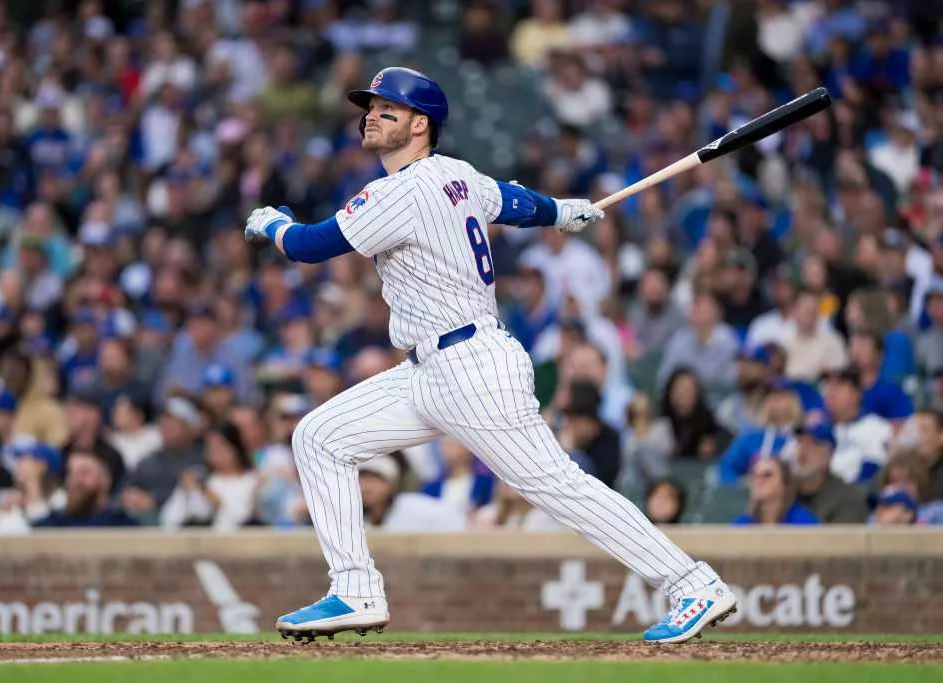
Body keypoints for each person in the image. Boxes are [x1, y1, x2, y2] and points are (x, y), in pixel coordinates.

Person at [245, 67, 737, 643]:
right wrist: (560, 210)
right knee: (319, 437)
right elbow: (515, 202)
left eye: (388, 108)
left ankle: (691, 583)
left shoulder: (403, 189)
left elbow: (309, 245)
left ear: (420, 124)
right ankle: (354, 589)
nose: (371, 115)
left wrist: (273, 222)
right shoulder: (457, 176)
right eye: (370, 107)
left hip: (471, 368)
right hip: (429, 369)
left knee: (559, 487)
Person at [160, 421, 257, 531]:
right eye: (210, 447)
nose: (215, 453)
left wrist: (216, 502)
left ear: (235, 448)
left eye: (221, 447)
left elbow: (243, 520)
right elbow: (169, 519)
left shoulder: (251, 480)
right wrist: (189, 490)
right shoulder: (201, 478)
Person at [35, 450, 138, 528]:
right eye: (71, 473)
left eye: (84, 473)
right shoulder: (51, 526)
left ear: (105, 481)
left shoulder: (122, 526)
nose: (76, 480)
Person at [790, 422, 869, 523]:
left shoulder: (848, 497)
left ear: (829, 453)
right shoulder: (782, 491)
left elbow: (844, 537)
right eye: (800, 442)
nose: (803, 450)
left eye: (814, 444)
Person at [732, 456, 820, 526]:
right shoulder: (743, 524)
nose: (758, 480)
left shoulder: (803, 522)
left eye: (767, 475)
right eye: (755, 475)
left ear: (784, 485)